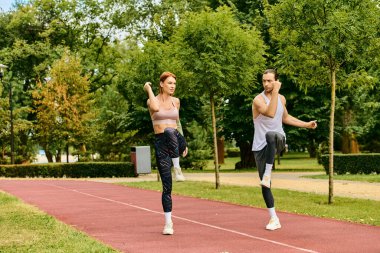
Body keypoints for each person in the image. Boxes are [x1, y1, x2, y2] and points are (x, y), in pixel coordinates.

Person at [252, 69, 317, 231]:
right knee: (265, 186)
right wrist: (275, 91)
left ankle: (268, 173)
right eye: (264, 81)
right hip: (260, 147)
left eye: (269, 81)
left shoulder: (281, 98)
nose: (266, 84)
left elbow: (284, 117)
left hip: (278, 139)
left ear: (276, 81)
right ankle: (274, 218)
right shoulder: (258, 100)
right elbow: (270, 112)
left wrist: (306, 124)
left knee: (272, 134)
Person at [143, 71, 188, 235]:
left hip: (176, 137)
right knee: (166, 187)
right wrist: (148, 88)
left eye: (174, 84)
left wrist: (184, 143)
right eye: (170, 83)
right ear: (161, 84)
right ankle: (168, 223)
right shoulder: (151, 100)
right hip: (161, 143)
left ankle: (177, 168)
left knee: (170, 130)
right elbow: (155, 107)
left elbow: (178, 122)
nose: (173, 86)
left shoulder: (176, 101)